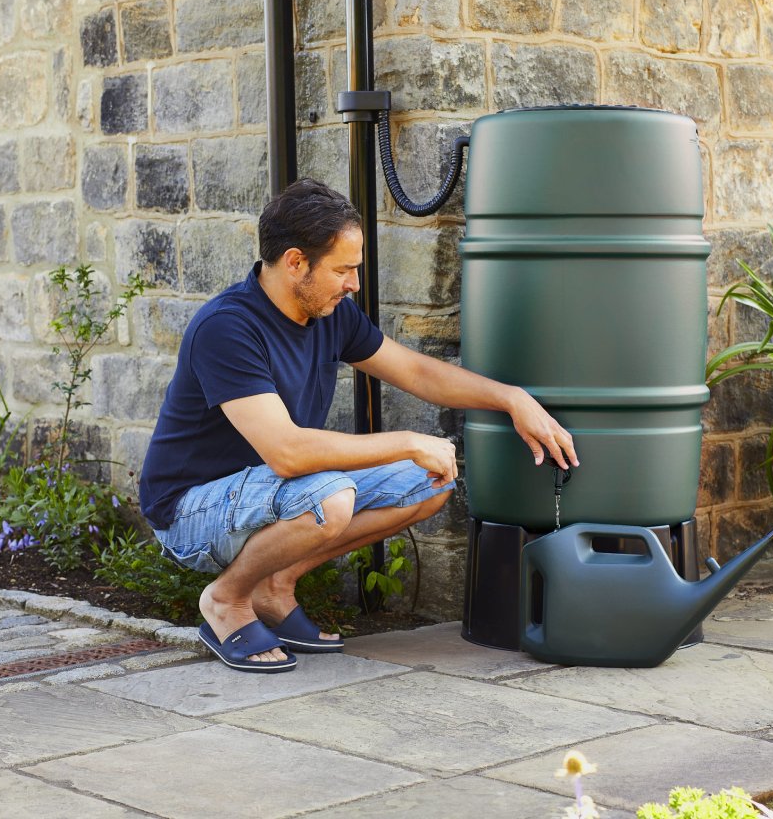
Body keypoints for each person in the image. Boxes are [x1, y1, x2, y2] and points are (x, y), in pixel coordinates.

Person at [139, 178, 577, 673]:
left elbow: (415, 371)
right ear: (295, 262)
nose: (354, 284)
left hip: (271, 490)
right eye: (343, 269)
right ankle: (226, 600)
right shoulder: (227, 328)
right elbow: (287, 452)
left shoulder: (332, 316)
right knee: (330, 497)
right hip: (192, 509)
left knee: (428, 483)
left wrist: (510, 398)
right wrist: (409, 441)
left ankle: (274, 584)